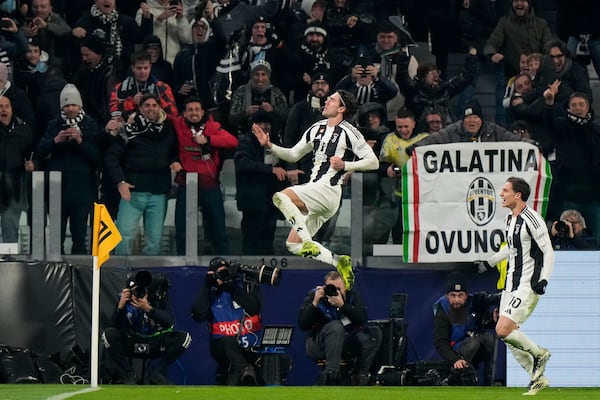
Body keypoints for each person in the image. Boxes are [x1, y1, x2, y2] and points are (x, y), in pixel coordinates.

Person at [252, 90, 379, 290]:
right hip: (316, 192)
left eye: (332, 99)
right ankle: (338, 261)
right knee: (293, 245)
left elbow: (373, 162)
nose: (327, 100)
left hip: (328, 190)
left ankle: (307, 239)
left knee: (280, 197)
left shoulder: (349, 131)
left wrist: (345, 165)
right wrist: (269, 145)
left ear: (342, 108)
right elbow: (293, 154)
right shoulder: (316, 128)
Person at [475, 176, 554, 395]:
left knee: (502, 329)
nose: (501, 194)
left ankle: (540, 354)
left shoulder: (532, 219)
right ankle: (536, 377)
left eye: (505, 190)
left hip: (527, 285)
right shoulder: (511, 219)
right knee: (508, 335)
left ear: (517, 195)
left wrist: (544, 279)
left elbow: (548, 251)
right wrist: (489, 262)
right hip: (510, 284)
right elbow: (512, 249)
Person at [104, 93, 179, 255]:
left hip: (159, 193)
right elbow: (111, 156)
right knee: (124, 237)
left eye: (154, 105)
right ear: (140, 108)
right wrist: (120, 181)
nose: (151, 109)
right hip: (132, 193)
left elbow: (175, 151)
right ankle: (121, 276)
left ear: (159, 107)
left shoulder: (168, 129)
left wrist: (174, 160)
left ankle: (148, 279)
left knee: (154, 241)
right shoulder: (129, 129)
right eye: (147, 106)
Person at [34, 84, 101, 254]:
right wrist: (55, 141)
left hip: (83, 189)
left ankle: (80, 277)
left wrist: (80, 141)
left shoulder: (91, 125)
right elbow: (40, 151)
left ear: (80, 106)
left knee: (80, 238)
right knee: (56, 240)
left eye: (73, 105)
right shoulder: (54, 125)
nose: (70, 108)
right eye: (67, 105)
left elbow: (97, 157)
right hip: (57, 190)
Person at [172, 96, 238, 255]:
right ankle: (182, 264)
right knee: (182, 229)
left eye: (197, 110)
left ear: (202, 112)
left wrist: (208, 139)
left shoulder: (212, 126)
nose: (194, 113)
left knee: (218, 229)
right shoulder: (177, 124)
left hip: (210, 185)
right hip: (186, 184)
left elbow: (233, 141)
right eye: (190, 110)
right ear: (184, 113)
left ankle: (223, 264)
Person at [102, 270, 191, 384]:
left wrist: (148, 308)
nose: (139, 293)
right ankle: (128, 373)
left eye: (142, 290)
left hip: (154, 341)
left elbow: (170, 323)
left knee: (185, 338)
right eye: (136, 291)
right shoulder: (126, 301)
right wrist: (120, 307)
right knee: (108, 335)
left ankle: (158, 371)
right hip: (133, 340)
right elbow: (113, 327)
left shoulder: (156, 300)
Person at [298, 270, 382, 386]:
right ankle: (332, 375)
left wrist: (343, 306)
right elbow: (303, 324)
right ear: (325, 287)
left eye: (339, 289)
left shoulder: (352, 296)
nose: (335, 292)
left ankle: (359, 375)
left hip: (345, 343)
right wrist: (315, 303)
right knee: (335, 326)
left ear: (345, 288)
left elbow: (362, 318)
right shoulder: (315, 296)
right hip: (318, 344)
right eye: (332, 288)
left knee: (374, 333)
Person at [191, 257, 263, 386]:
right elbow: (198, 315)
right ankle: (245, 370)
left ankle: (247, 371)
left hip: (249, 347)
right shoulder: (211, 294)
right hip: (222, 348)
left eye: (226, 272)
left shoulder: (243, 288)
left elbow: (254, 309)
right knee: (228, 341)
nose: (223, 276)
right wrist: (207, 288)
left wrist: (232, 288)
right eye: (220, 273)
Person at [543, 85, 600, 238]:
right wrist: (549, 104)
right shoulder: (562, 126)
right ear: (568, 108)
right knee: (568, 234)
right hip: (568, 191)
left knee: (595, 233)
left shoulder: (596, 130)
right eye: (574, 105)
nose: (577, 108)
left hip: (593, 191)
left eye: (581, 105)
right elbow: (550, 124)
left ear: (588, 107)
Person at [484, 0, 552, 126]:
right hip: (511, 74)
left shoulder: (541, 24)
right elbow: (491, 44)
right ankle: (502, 129)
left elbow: (549, 47)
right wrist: (492, 54)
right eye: (516, 1)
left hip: (536, 77)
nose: (519, 4)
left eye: (523, 1)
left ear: (530, 3)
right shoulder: (504, 23)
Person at [234, 109, 287, 255]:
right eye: (259, 123)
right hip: (252, 201)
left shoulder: (276, 142)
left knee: (268, 241)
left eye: (266, 123)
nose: (263, 126)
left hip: (271, 201)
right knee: (251, 242)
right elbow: (242, 163)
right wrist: (270, 170)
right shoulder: (245, 141)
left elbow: (282, 166)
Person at [433, 279, 500, 386]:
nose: (457, 300)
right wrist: (455, 360)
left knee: (488, 338)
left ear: (466, 296)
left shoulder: (473, 302)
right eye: (453, 295)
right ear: (447, 296)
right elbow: (440, 342)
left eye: (460, 295)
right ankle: (453, 377)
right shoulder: (442, 309)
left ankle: (489, 381)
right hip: (455, 352)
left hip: (474, 349)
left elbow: (480, 325)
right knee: (472, 342)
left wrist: (493, 321)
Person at [380, 109, 428, 244]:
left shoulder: (425, 138)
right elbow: (380, 164)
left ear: (413, 123)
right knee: (399, 227)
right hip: (399, 193)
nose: (403, 130)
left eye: (406, 126)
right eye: (399, 127)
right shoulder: (390, 139)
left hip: (422, 194)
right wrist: (388, 169)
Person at [109, 51, 178, 123]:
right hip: (128, 128)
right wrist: (132, 102)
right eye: (139, 68)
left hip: (156, 128)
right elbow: (114, 113)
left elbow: (173, 115)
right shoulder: (120, 87)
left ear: (150, 67)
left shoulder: (162, 88)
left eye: (146, 68)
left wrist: (154, 105)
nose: (142, 71)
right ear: (132, 68)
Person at [0, 95, 33, 244]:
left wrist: (32, 164)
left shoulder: (23, 130)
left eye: (7, 106)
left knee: (10, 226)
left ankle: (9, 261)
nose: (4, 110)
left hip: (13, 187)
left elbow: (33, 154)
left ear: (12, 110)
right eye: (0, 107)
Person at [229, 59, 288, 136]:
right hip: (246, 136)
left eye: (263, 74)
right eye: (257, 74)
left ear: (268, 76)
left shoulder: (276, 92)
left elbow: (288, 117)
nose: (260, 78)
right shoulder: (241, 92)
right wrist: (245, 113)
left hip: (272, 136)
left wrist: (273, 109)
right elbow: (231, 120)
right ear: (251, 76)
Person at [135, 0, 191, 65]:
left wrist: (180, 19)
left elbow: (187, 39)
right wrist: (159, 20)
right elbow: (142, 38)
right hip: (152, 63)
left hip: (174, 62)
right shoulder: (144, 11)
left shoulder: (178, 11)